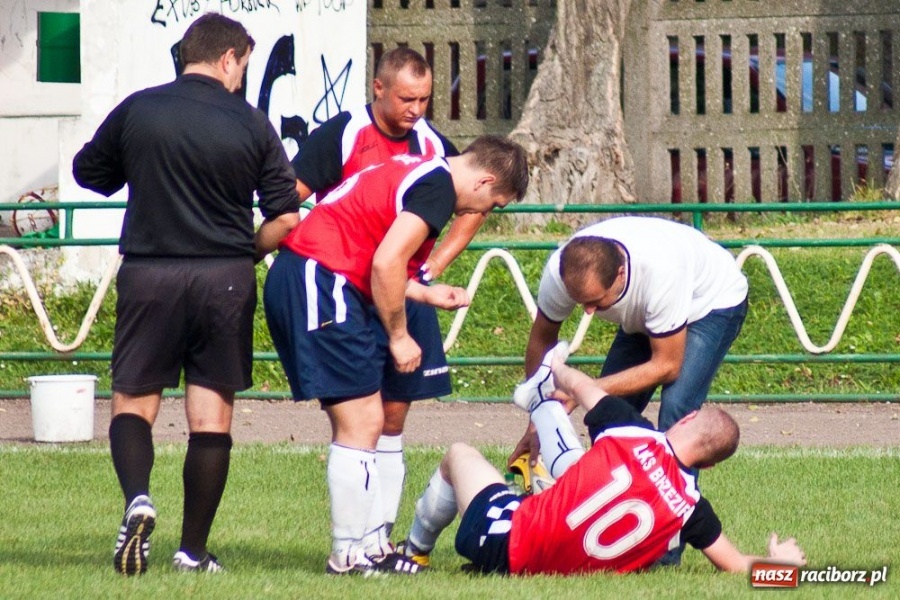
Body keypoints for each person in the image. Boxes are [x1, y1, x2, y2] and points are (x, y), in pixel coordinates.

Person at [72, 13, 300, 575]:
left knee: (134, 401)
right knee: (210, 417)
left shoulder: (140, 108)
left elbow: (88, 173)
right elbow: (286, 219)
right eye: (243, 66)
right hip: (224, 278)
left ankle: (138, 501)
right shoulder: (251, 124)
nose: (242, 77)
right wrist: (245, 251)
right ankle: (192, 552)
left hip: (150, 273)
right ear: (228, 59)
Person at [264, 136, 529, 575]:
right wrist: (400, 337)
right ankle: (347, 555)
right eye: (493, 203)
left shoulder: (422, 169)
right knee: (363, 421)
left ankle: (371, 547)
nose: (483, 213)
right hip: (321, 281)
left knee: (369, 420)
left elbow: (372, 253)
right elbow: (386, 263)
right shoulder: (439, 188)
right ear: (484, 181)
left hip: (326, 278)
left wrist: (424, 291)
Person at [290, 47, 488, 540]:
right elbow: (288, 196)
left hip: (403, 289)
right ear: (378, 89)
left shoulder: (432, 144)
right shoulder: (341, 133)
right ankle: (354, 543)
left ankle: (378, 536)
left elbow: (474, 202)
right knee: (362, 415)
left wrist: (430, 270)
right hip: (348, 286)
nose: (415, 109)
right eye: (406, 98)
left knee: (394, 415)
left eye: (424, 99)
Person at [400, 343, 807, 575]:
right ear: (709, 466)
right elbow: (734, 564)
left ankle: (413, 552)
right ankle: (537, 441)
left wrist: (556, 366)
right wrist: (783, 567)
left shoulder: (632, 432)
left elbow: (581, 385)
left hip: (506, 545)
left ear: (687, 418)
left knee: (459, 455)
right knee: (572, 471)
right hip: (560, 562)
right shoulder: (691, 509)